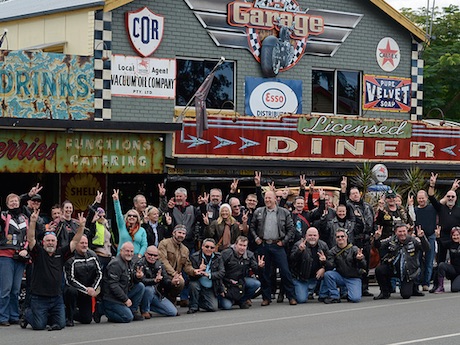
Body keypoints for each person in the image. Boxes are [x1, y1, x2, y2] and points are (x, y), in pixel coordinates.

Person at [21, 210, 86, 330]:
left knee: (61, 325)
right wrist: (33, 222)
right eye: (48, 241)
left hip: (56, 298)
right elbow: (30, 239)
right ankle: (27, 314)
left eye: (53, 241)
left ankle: (44, 317)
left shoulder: (61, 253)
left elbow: (75, 241)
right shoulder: (38, 253)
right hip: (39, 298)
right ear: (43, 243)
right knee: (39, 326)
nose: (50, 243)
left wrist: (81, 227)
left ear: (57, 243)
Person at [250, 190, 299, 306]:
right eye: (266, 198)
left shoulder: (284, 212)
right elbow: (252, 227)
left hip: (278, 245)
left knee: (285, 272)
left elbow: (291, 229)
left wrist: (284, 241)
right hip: (264, 245)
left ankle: (291, 297)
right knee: (265, 272)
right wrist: (256, 238)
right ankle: (266, 298)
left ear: (275, 199)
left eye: (269, 198)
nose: (267, 200)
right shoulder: (258, 212)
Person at [373, 222, 429, 300]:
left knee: (406, 295)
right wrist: (377, 238)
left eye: (404, 231)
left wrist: (422, 238)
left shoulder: (414, 240)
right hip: (393, 268)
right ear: (395, 232)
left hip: (408, 272)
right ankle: (384, 292)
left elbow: (426, 248)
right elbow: (378, 246)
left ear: (407, 231)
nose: (402, 234)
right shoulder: (391, 239)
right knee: (379, 270)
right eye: (400, 232)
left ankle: (413, 288)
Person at [339, 177, 375, 297]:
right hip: (355, 239)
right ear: (349, 196)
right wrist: (343, 190)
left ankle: (364, 288)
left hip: (366, 239)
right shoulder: (349, 206)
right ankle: (353, 288)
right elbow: (341, 205)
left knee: (366, 263)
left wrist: (374, 234)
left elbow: (372, 222)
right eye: (353, 194)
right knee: (354, 263)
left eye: (356, 193)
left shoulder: (368, 206)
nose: (355, 195)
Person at [0, 193, 30, 326]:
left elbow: (28, 237)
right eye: (11, 201)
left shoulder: (25, 218)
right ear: (7, 204)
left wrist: (26, 249)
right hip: (6, 256)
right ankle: (3, 317)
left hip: (20, 257)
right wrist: (27, 194)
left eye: (16, 201)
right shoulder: (4, 216)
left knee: (15, 289)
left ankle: (13, 315)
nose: (14, 203)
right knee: (5, 289)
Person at [97, 242, 145, 323]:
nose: (129, 253)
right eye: (127, 251)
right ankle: (102, 309)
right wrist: (125, 299)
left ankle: (133, 310)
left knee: (140, 286)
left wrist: (137, 277)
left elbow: (130, 279)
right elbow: (113, 285)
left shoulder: (130, 262)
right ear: (121, 251)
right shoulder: (115, 264)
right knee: (127, 318)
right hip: (111, 298)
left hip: (123, 292)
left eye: (131, 251)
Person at [63, 235, 102, 326]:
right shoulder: (70, 258)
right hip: (76, 290)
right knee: (70, 291)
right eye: (82, 243)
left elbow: (99, 273)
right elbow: (70, 280)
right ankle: (69, 316)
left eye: (86, 243)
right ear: (76, 244)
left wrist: (93, 288)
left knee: (87, 319)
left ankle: (66, 313)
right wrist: (85, 289)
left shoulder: (93, 255)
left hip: (88, 291)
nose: (84, 245)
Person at [321, 228, 366, 304]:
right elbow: (330, 267)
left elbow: (363, 265)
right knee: (328, 275)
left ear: (346, 237)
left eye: (342, 236)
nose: (340, 238)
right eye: (338, 237)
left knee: (355, 299)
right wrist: (324, 261)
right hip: (340, 276)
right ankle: (334, 296)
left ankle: (348, 292)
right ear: (335, 239)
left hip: (353, 277)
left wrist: (360, 259)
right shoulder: (332, 251)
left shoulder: (354, 249)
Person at [220, 236, 264, 310]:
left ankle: (242, 300)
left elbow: (256, 270)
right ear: (235, 244)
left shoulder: (249, 255)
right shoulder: (226, 254)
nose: (242, 248)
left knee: (256, 284)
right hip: (226, 282)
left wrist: (260, 267)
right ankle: (226, 299)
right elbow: (219, 272)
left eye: (244, 246)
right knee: (227, 306)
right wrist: (221, 288)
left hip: (241, 281)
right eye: (240, 245)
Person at [157, 224, 197, 305]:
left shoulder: (185, 249)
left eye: (183, 234)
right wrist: (174, 273)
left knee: (181, 281)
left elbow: (187, 266)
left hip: (176, 275)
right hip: (163, 273)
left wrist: (194, 271)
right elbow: (163, 260)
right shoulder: (164, 243)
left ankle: (172, 298)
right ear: (173, 233)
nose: (181, 235)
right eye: (179, 232)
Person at [135, 245, 178, 318]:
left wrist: (172, 282)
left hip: (157, 293)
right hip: (144, 293)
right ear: (145, 254)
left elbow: (165, 280)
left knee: (172, 312)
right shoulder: (140, 264)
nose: (152, 257)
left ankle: (148, 305)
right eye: (150, 254)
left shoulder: (160, 265)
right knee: (149, 289)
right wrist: (154, 281)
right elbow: (142, 281)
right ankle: (144, 310)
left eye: (155, 255)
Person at [289, 227, 329, 303]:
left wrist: (324, 266)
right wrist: (299, 251)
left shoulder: (323, 245)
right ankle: (306, 290)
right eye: (310, 235)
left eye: (314, 235)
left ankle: (323, 295)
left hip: (316, 277)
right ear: (306, 236)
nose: (312, 237)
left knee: (329, 273)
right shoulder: (298, 245)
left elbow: (331, 263)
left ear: (318, 236)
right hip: (301, 278)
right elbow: (291, 260)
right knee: (301, 299)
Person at [428, 173, 460, 264]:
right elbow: (431, 197)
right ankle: (439, 278)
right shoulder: (441, 207)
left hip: (455, 238)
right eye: (448, 196)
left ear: (456, 198)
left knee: (456, 263)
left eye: (452, 196)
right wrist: (432, 184)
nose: (450, 198)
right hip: (442, 237)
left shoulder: (458, 210)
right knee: (440, 262)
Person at [187, 239, 225, 314]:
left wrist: (209, 275)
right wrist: (199, 270)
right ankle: (193, 306)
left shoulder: (218, 257)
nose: (209, 249)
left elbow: (222, 273)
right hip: (198, 283)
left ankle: (199, 301)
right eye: (207, 247)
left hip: (210, 286)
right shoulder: (194, 257)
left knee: (213, 307)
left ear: (214, 249)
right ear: (202, 247)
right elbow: (190, 276)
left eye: (212, 248)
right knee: (193, 285)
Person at [411, 190, 437, 291]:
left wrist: (452, 189)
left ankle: (426, 283)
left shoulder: (432, 208)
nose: (421, 200)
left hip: (430, 236)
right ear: (417, 199)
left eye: (423, 198)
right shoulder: (415, 210)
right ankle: (416, 282)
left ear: (426, 198)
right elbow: (411, 219)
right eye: (419, 198)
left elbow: (443, 201)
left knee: (429, 261)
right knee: (417, 261)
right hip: (418, 238)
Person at [113, 189, 147, 259]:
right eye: (129, 215)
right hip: (121, 257)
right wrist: (116, 201)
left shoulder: (142, 230)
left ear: (137, 218)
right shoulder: (122, 226)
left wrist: (139, 255)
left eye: (134, 216)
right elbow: (118, 214)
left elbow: (144, 245)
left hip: (135, 258)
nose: (132, 217)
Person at [433, 226, 460, 293]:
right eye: (454, 235)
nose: (456, 237)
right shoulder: (450, 243)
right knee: (442, 265)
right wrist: (438, 236)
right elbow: (441, 244)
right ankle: (441, 287)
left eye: (457, 235)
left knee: (455, 289)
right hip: (453, 269)